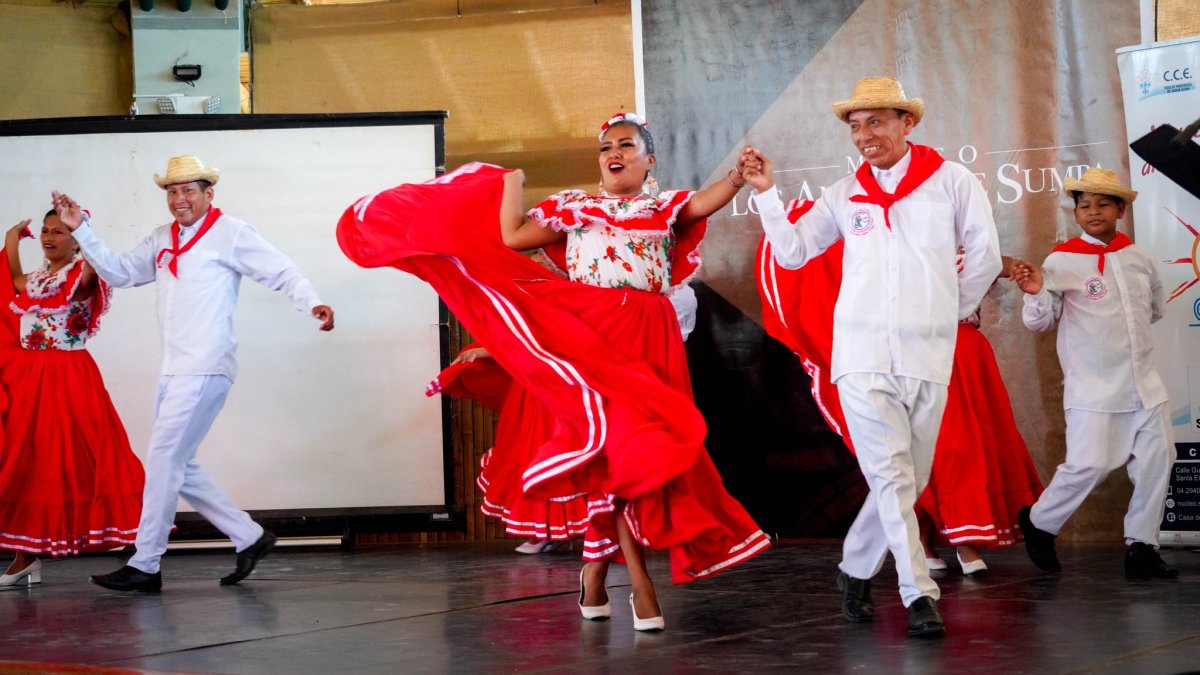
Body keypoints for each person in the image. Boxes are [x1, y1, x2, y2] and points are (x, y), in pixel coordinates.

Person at [338, 113, 771, 632]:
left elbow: (702, 203)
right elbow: (514, 237)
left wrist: (737, 178)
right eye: (606, 146)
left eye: (627, 146)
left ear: (648, 159)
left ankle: (592, 572)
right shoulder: (575, 207)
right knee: (615, 449)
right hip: (591, 331)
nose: (614, 153)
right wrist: (510, 184)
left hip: (649, 337)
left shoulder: (664, 205)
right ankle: (640, 585)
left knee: (638, 455)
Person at [744, 76, 1001, 638]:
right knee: (889, 474)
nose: (865, 135)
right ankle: (919, 595)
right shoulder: (844, 194)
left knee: (910, 476)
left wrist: (947, 311)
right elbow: (791, 254)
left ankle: (855, 568)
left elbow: (985, 254)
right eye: (856, 126)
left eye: (876, 121)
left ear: (908, 123)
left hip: (927, 351)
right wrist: (766, 193)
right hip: (859, 353)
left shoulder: (951, 182)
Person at [51, 155, 335, 592]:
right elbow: (122, 273)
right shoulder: (161, 237)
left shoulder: (232, 233)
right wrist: (80, 229)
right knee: (180, 464)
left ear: (208, 194)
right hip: (174, 369)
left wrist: (310, 301)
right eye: (171, 190)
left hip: (207, 365)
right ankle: (250, 536)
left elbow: (281, 270)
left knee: (164, 461)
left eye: (187, 190)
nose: (178, 199)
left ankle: (145, 564)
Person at [757, 235, 1044, 578]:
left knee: (971, 445)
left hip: (965, 354)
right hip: (914, 357)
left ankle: (964, 537)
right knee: (926, 451)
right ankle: (923, 539)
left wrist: (1015, 267)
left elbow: (993, 261)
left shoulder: (965, 247)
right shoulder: (889, 248)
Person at [430, 284, 701, 556]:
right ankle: (553, 530)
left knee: (600, 452)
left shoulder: (650, 289)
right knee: (551, 453)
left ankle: (614, 534)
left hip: (596, 373)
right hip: (553, 379)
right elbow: (531, 324)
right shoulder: (554, 277)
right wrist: (489, 349)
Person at [1012, 167, 1178, 580]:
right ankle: (1038, 520)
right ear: (1076, 213)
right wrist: (1035, 293)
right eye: (1084, 205)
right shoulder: (1062, 260)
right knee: (1089, 464)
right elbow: (1040, 322)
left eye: (1103, 203)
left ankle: (1142, 547)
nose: (1092, 212)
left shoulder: (1139, 258)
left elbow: (1154, 310)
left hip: (1145, 384)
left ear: (1121, 209)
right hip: (1094, 387)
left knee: (1159, 459)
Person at [0, 212, 145, 588]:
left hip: (67, 376)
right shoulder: (38, 278)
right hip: (29, 377)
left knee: (78, 458)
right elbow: (13, 281)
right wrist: (12, 237)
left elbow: (90, 275)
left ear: (76, 238)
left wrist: (82, 227)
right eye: (46, 231)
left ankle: (145, 554)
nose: (49, 237)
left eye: (59, 232)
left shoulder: (81, 274)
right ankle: (25, 554)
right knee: (26, 459)